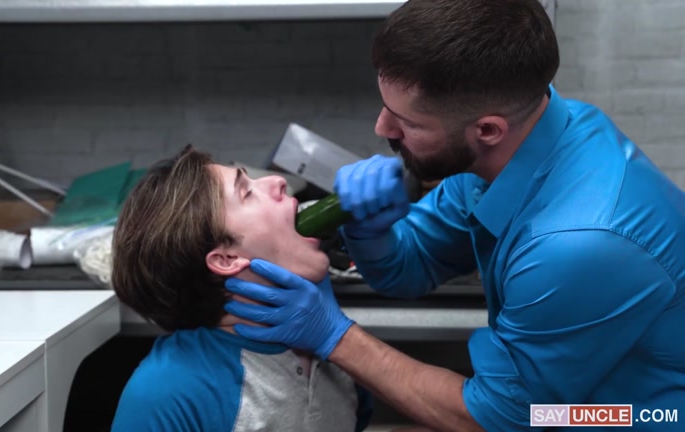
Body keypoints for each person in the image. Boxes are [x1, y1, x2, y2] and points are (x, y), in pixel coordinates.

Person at [222, 0, 685, 431]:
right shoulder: (515, 142)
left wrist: (335, 336)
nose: (382, 128)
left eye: (408, 122)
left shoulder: (581, 243)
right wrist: (372, 231)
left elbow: (495, 418)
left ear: (487, 129)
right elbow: (412, 266)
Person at [109, 145, 372, 432]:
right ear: (227, 259)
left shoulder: (341, 356)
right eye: (246, 192)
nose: (278, 181)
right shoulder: (164, 393)